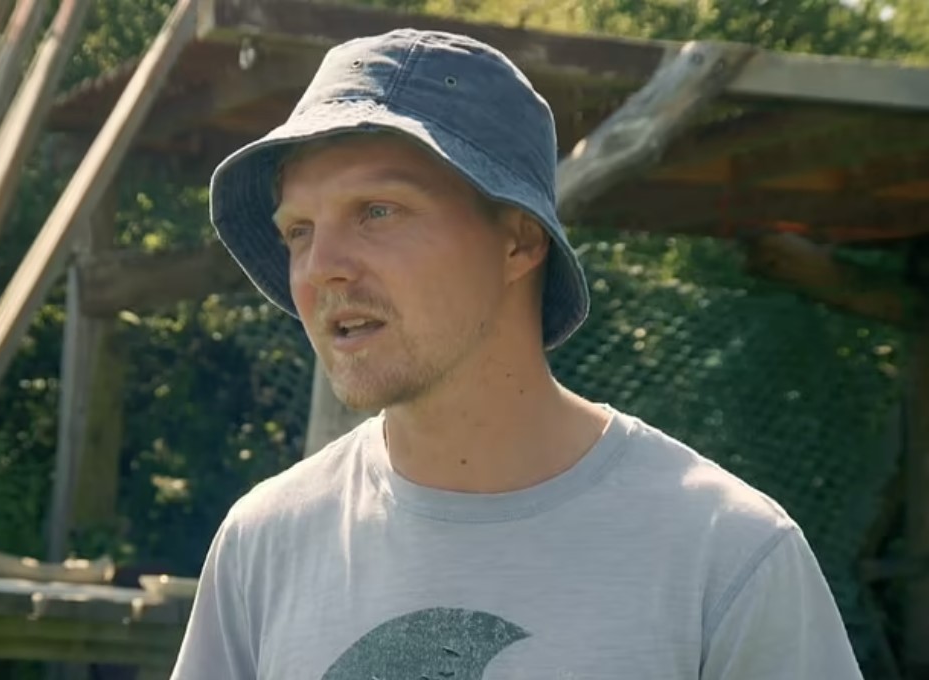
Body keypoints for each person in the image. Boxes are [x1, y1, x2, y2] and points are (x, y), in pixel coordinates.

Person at [170, 28, 863, 679]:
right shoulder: (263, 544)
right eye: (297, 230)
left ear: (519, 241)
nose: (322, 268)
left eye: (378, 210)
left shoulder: (727, 555)